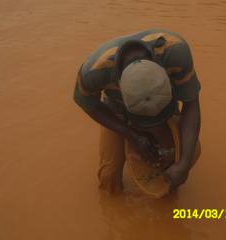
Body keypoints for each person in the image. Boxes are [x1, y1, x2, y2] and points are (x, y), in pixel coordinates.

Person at [73, 29, 201, 194]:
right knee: (109, 176)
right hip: (116, 108)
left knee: (178, 158)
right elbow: (89, 105)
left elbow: (191, 104)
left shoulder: (175, 51)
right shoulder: (94, 71)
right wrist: (131, 134)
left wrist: (183, 165)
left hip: (165, 105)